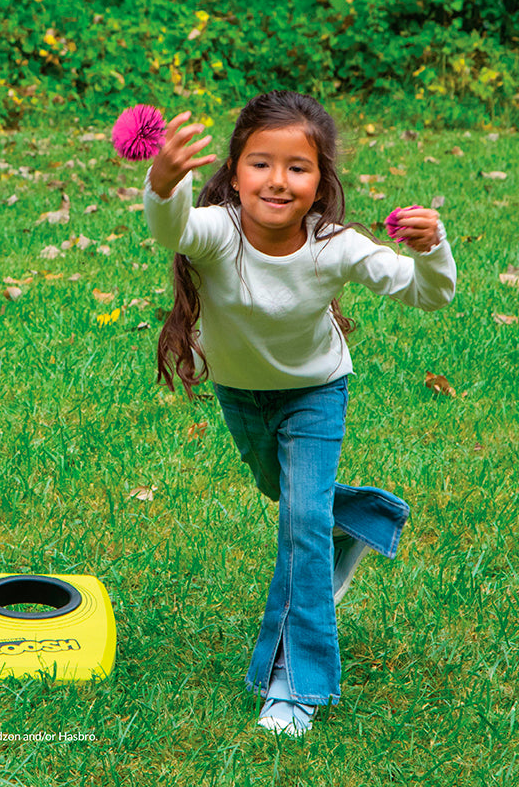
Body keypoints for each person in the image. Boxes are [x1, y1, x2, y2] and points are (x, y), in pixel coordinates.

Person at [143, 90, 456, 736]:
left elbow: (430, 294)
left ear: (321, 183)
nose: (278, 181)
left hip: (316, 392)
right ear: (232, 172)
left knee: (300, 524)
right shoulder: (216, 232)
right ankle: (365, 517)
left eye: (298, 167)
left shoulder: (335, 246)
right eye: (261, 163)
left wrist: (433, 247)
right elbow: (169, 229)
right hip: (241, 393)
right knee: (288, 500)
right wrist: (164, 180)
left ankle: (297, 684)